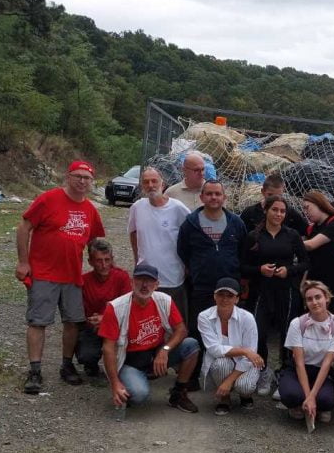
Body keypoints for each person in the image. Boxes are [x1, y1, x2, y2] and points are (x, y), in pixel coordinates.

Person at [15, 160, 105, 394]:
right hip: (44, 272)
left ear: (91, 182)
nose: (82, 181)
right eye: (78, 176)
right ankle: (35, 370)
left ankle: (66, 365)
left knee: (73, 322)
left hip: (72, 275)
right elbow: (24, 227)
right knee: (38, 321)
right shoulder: (49, 199)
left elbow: (95, 242)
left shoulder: (90, 210)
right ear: (68, 177)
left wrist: (102, 267)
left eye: (87, 178)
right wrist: (23, 262)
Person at [99, 263, 200, 413]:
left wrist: (165, 350)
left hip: (156, 353)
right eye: (140, 279)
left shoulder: (164, 300)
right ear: (132, 282)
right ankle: (129, 384)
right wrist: (114, 383)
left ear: (157, 284)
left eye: (149, 280)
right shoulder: (116, 308)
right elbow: (108, 348)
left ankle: (178, 393)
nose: (144, 285)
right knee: (139, 394)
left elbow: (181, 330)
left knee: (191, 345)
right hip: (130, 361)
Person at [240, 195, 308, 397]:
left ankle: (284, 373)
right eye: (275, 210)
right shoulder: (254, 236)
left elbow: (306, 262)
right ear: (266, 211)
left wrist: (289, 270)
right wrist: (259, 270)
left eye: (282, 211)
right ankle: (263, 371)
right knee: (258, 332)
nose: (279, 214)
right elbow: (242, 266)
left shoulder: (291, 235)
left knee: (287, 333)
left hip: (286, 290)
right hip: (261, 291)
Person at [176, 180, 248, 337]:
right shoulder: (190, 224)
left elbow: (243, 250)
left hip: (229, 286)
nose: (213, 197)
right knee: (199, 328)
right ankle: (200, 353)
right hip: (201, 286)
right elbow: (183, 250)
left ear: (224, 197)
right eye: (209, 194)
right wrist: (197, 268)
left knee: (228, 328)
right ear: (201, 197)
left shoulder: (236, 223)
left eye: (217, 194)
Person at [280, 280, 334, 427]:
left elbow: (327, 363)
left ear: (327, 298)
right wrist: (308, 396)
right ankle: (299, 403)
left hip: (321, 371)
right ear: (306, 303)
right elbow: (299, 363)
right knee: (291, 395)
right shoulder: (297, 323)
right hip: (298, 370)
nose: (314, 302)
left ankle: (316, 404)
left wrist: (312, 395)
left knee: (326, 400)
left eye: (318, 297)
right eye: (309, 299)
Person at [128, 166, 191, 317]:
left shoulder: (177, 208)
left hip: (173, 277)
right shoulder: (137, 207)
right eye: (146, 182)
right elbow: (133, 233)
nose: (150, 185)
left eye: (154, 181)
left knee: (176, 321)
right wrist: (137, 260)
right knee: (148, 321)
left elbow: (191, 236)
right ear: (142, 185)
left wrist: (188, 265)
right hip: (146, 277)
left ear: (162, 184)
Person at [197, 278, 264, 416]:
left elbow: (250, 356)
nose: (224, 299)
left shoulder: (247, 318)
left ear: (237, 299)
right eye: (221, 294)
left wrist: (229, 381)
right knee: (220, 364)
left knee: (245, 386)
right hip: (222, 361)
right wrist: (244, 351)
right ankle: (225, 398)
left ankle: (245, 395)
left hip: (245, 362)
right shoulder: (204, 316)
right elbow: (214, 349)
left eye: (230, 296)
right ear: (214, 296)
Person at [77, 238, 132, 377]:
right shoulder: (84, 281)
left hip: (117, 326)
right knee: (86, 356)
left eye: (107, 260)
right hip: (93, 326)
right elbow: (80, 313)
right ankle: (92, 364)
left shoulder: (122, 277)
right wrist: (93, 321)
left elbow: (128, 307)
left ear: (112, 259)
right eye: (99, 261)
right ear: (90, 262)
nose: (104, 265)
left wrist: (106, 319)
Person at [301, 190, 334, 318]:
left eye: (308, 208)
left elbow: (312, 244)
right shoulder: (311, 228)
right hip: (316, 282)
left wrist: (289, 241)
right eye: (304, 209)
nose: (306, 212)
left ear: (319, 204)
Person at [239, 172, 308, 236]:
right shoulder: (249, 213)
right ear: (263, 191)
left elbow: (307, 230)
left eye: (278, 196)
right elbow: (240, 236)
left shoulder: (290, 213)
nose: (274, 199)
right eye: (270, 195)